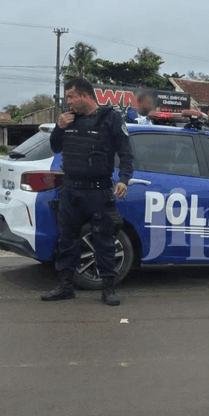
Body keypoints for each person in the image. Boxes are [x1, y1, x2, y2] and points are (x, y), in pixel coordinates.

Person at [43, 77, 134, 306]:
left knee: (104, 240)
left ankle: (108, 289)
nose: (69, 102)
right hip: (70, 190)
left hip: (98, 191)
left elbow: (126, 154)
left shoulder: (110, 118)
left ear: (85, 95)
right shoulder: (68, 120)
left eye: (72, 97)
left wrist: (124, 179)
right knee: (67, 241)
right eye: (67, 98)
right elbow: (55, 146)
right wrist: (59, 128)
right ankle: (65, 286)